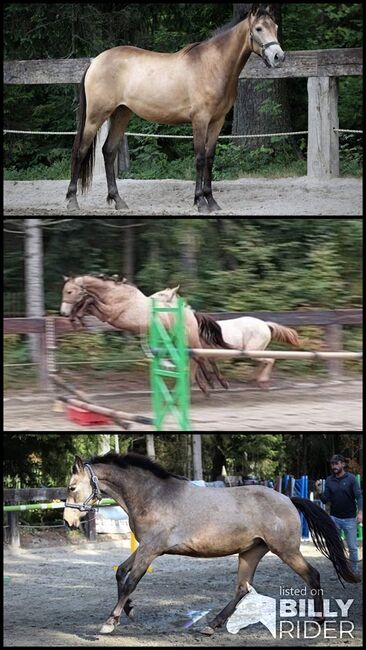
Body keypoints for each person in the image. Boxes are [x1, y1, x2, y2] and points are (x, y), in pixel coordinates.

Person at [315, 454, 362, 575]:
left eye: (336, 463)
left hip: (350, 519)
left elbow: (359, 496)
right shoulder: (330, 480)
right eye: (332, 464)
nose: (334, 466)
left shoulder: (351, 479)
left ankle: (354, 570)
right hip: (334, 518)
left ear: (343, 464)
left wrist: (361, 512)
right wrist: (319, 491)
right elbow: (325, 500)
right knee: (335, 546)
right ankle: (340, 569)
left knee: (352, 547)